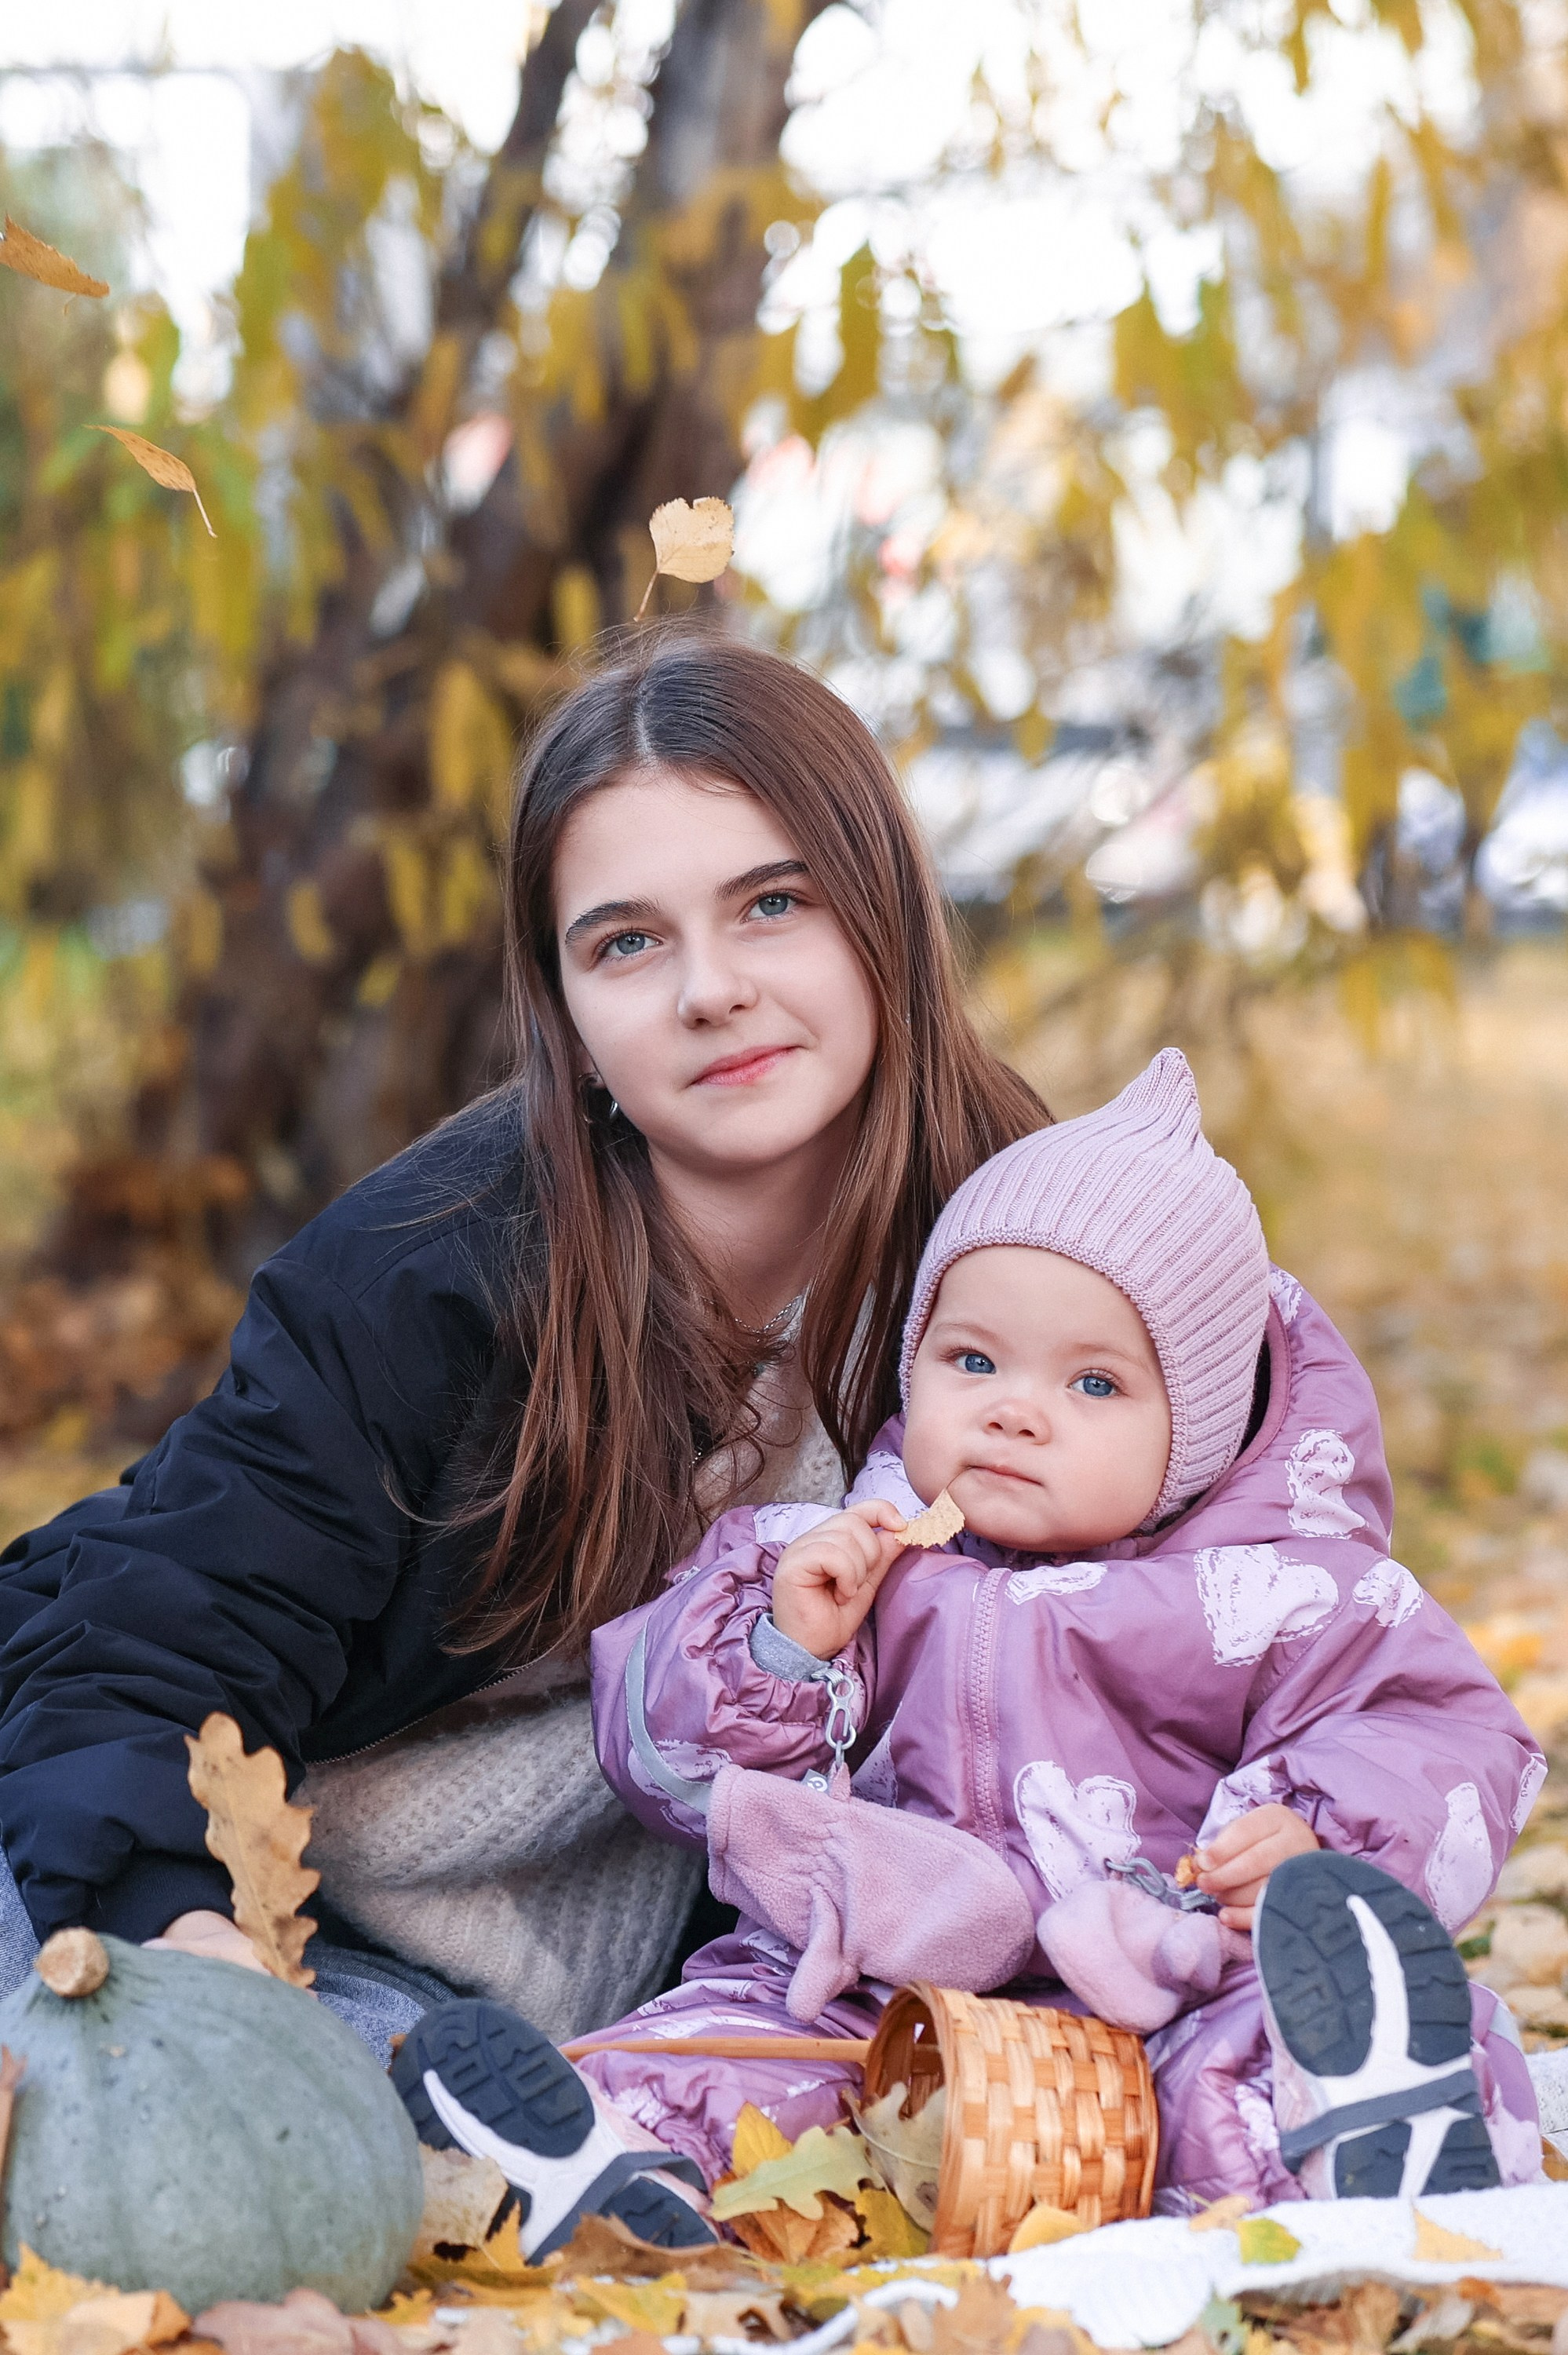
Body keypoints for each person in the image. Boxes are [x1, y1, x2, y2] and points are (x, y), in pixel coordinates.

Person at [0, 632, 1046, 2183]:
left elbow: (1212, 1605)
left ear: (883, 908)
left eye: (773, 902)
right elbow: (141, 1656)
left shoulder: (1030, 1257)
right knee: (195, 2153)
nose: (712, 991)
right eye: (626, 944)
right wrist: (186, 1935)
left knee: (485, 2137)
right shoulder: (434, 1279)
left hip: (606, 2006)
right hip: (157, 1862)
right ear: (566, 1012)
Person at [390, 1051, 1547, 2248]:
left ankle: (1363, 2131)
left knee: (1244, 2056)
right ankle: (606, 2164)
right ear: (916, 1360)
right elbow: (666, 1765)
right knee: (742, 2042)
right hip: (888, 1982)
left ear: (1195, 1431)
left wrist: (1316, 1832)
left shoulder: (1280, 1590)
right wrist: (783, 1653)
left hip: (1166, 1967)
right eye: (972, 1361)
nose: (1011, 1409)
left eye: (1093, 1383)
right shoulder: (854, 1563)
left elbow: (1436, 1731)